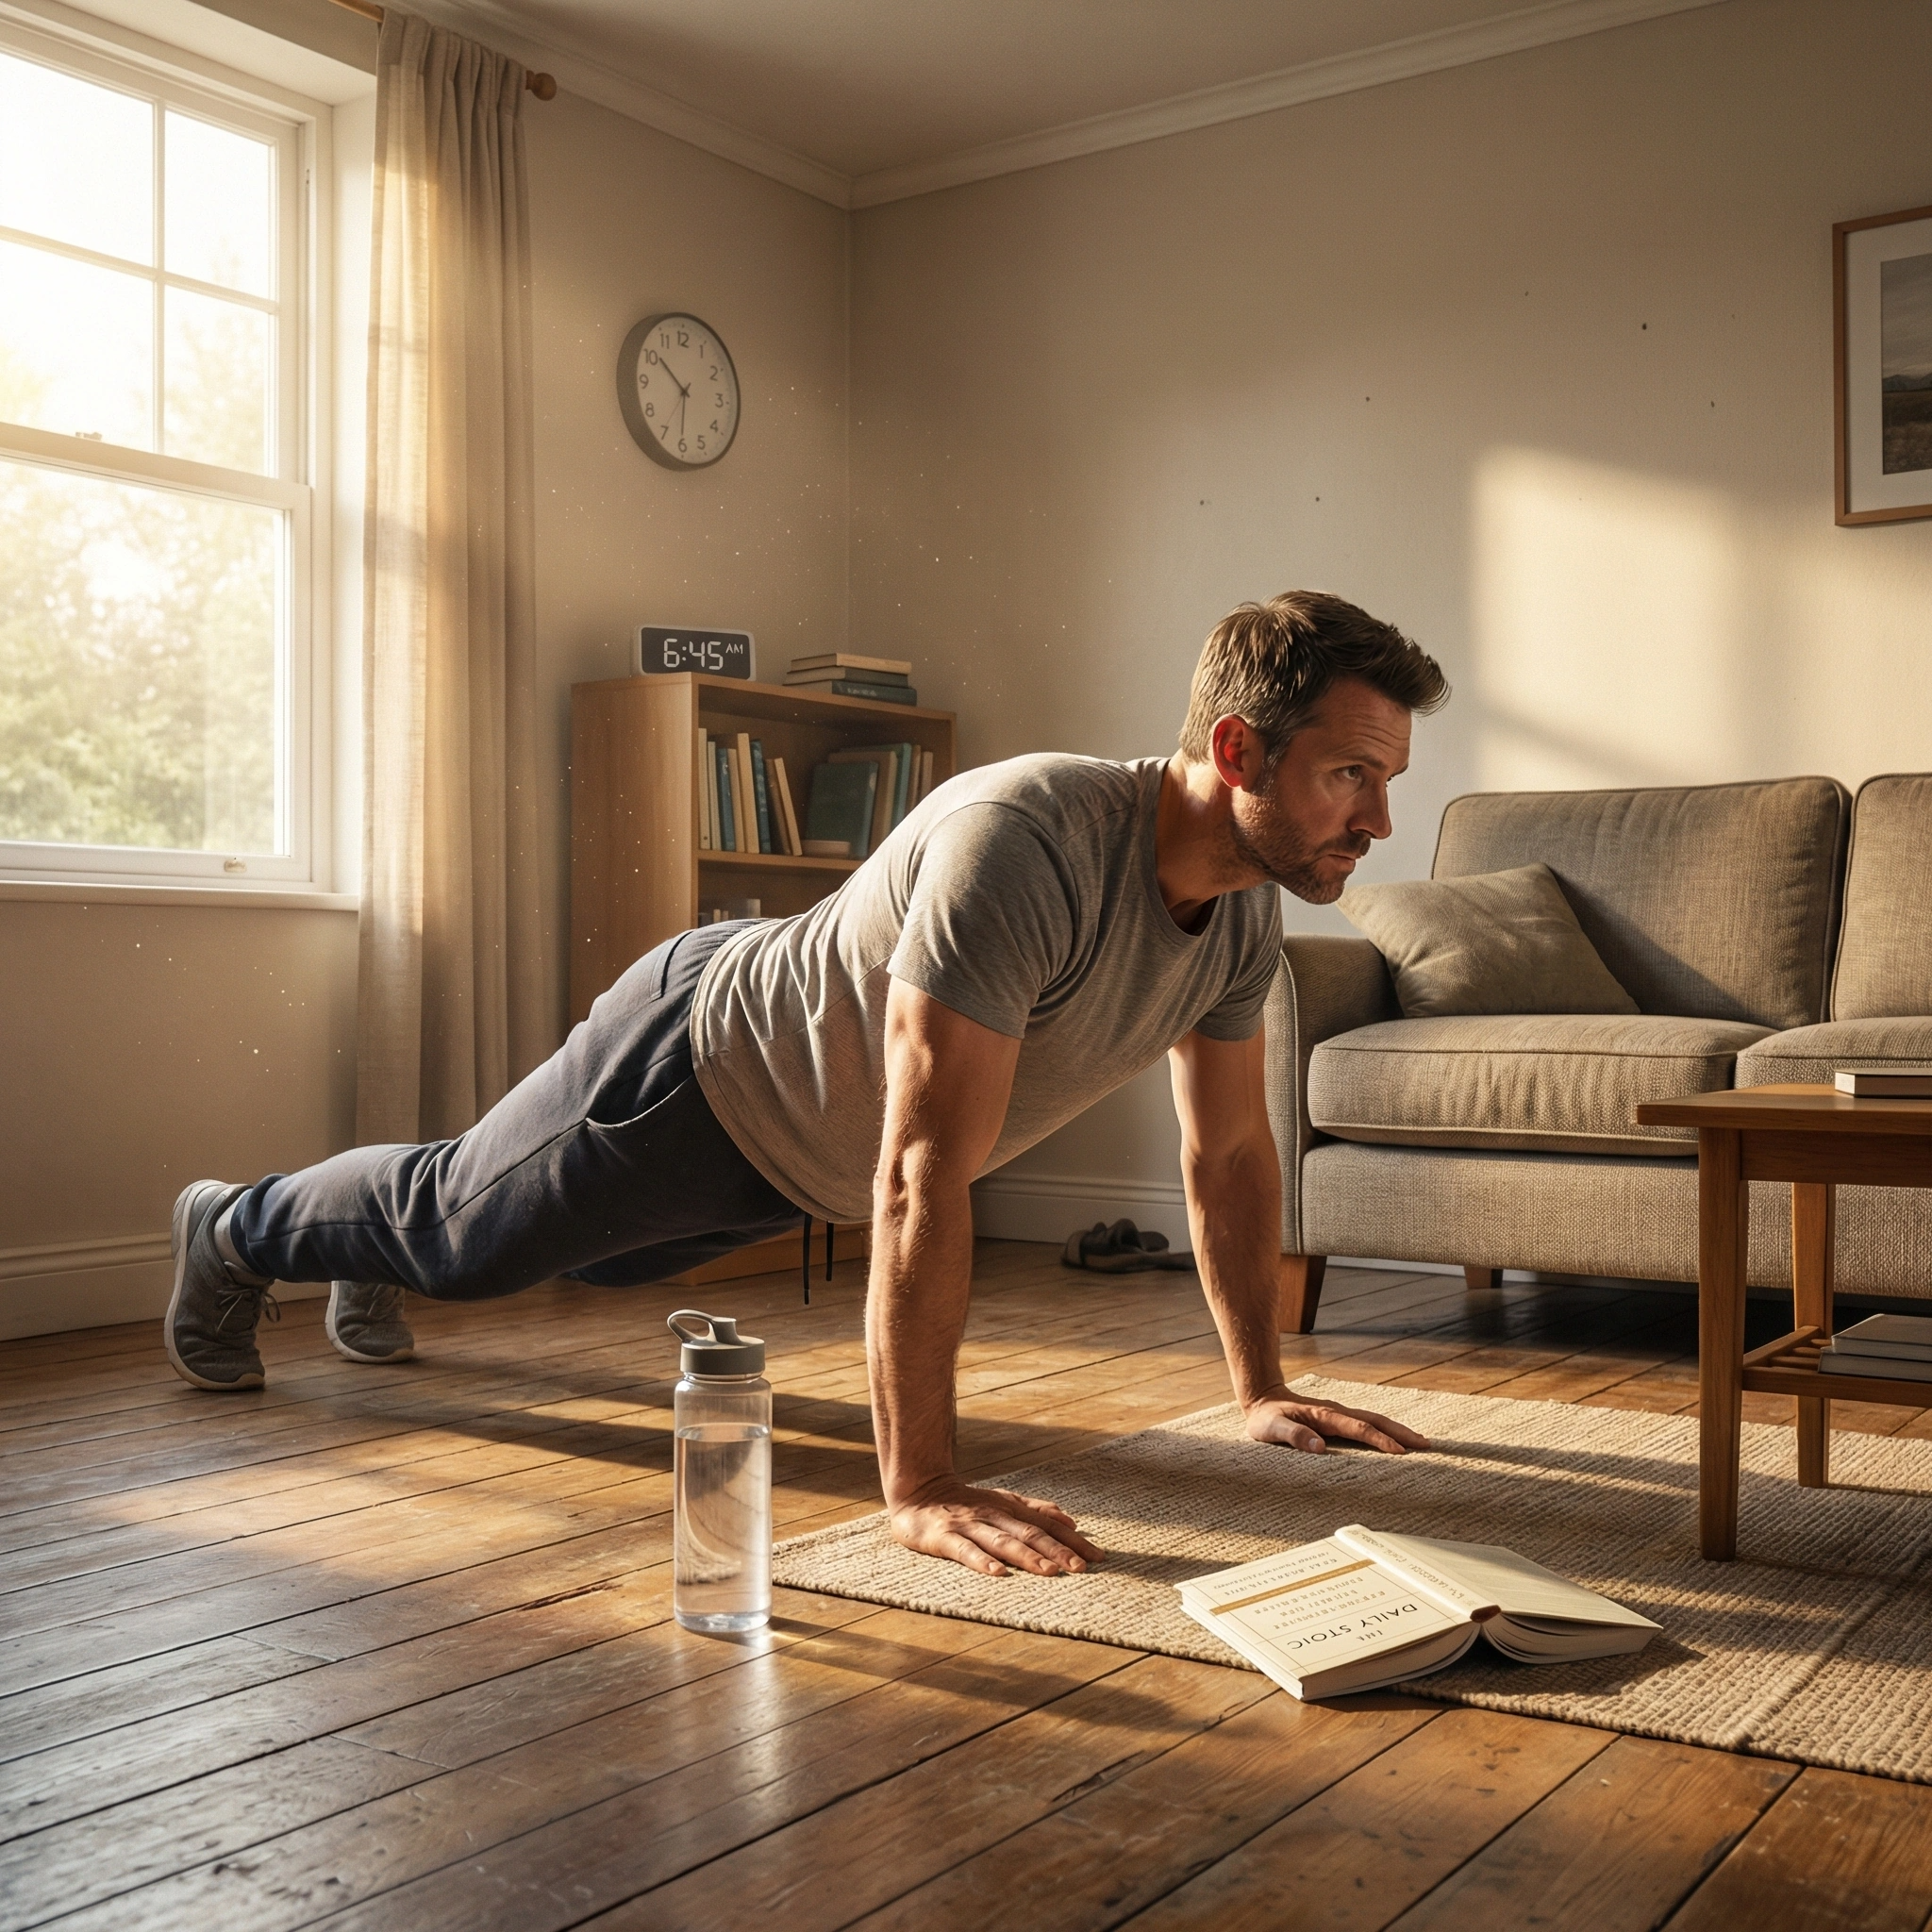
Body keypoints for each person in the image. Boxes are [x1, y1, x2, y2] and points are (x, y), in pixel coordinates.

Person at [165, 590, 1449, 1577]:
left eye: (1387, 780)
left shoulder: (1241, 917)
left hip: (799, 1156)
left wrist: (1259, 1389)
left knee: (573, 1264)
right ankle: (230, 1226)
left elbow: (1228, 1154)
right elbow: (921, 1172)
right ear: (1238, 747)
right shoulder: (1026, 845)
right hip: (698, 1071)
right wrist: (920, 1487)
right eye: (1351, 774)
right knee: (461, 1234)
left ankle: (372, 1249)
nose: (1377, 821)